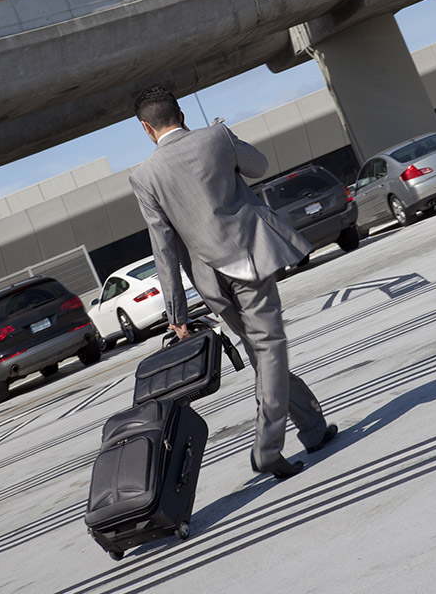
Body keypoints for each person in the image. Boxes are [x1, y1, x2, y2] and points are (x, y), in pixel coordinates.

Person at [129, 86, 337, 479]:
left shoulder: (144, 176)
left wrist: (177, 312)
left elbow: (164, 247)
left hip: (209, 281)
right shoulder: (217, 137)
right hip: (249, 258)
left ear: (146, 128)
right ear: (181, 113)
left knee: (262, 352)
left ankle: (312, 427)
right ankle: (267, 448)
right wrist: (228, 139)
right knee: (270, 347)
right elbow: (258, 166)